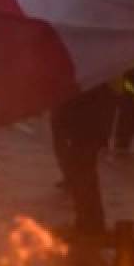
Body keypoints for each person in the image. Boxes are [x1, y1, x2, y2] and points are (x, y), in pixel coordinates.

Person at [51, 84, 117, 239]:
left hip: (84, 133)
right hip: (83, 132)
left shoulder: (91, 82)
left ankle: (90, 224)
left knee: (82, 176)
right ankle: (87, 222)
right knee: (83, 176)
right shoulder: (96, 79)